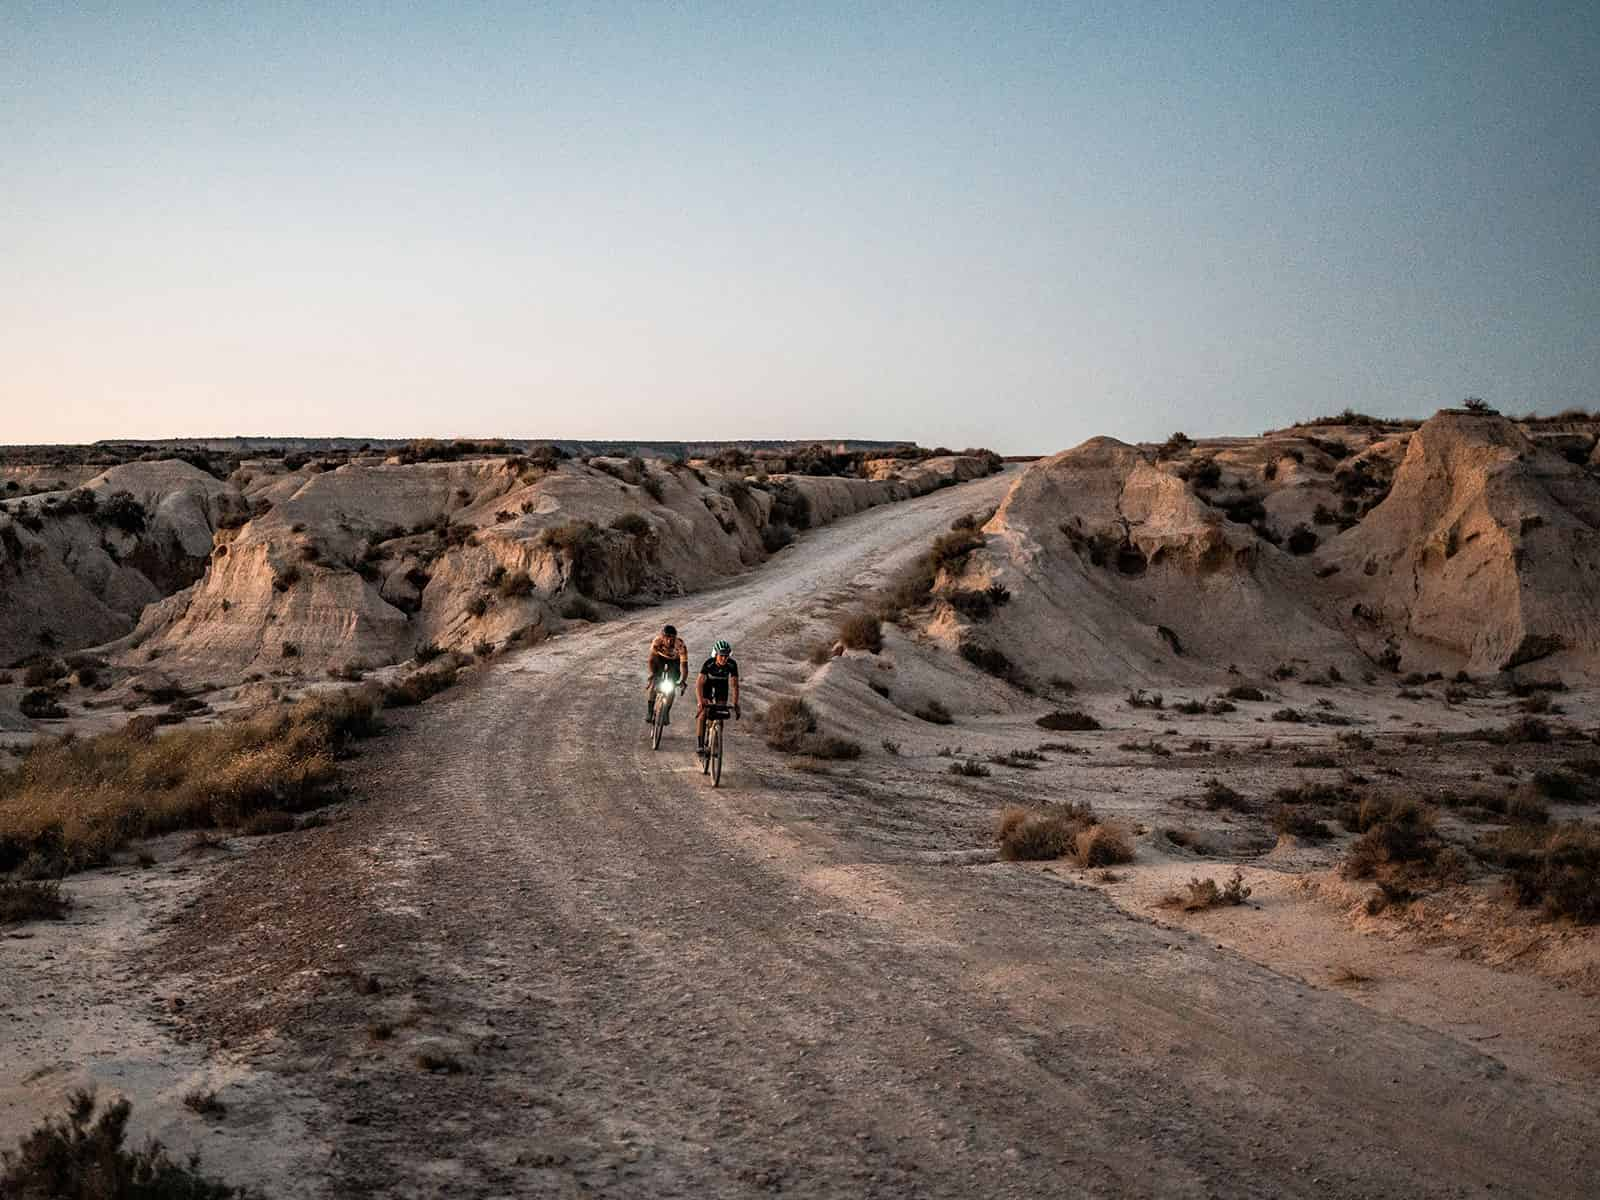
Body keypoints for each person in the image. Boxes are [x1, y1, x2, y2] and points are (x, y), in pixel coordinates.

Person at [696, 638, 740, 759]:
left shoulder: (732, 664)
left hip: (722, 687)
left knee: (720, 713)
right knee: (703, 713)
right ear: (716, 654)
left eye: (726, 656)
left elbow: (735, 685)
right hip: (707, 686)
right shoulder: (709, 663)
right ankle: (700, 745)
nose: (724, 659)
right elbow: (699, 684)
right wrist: (700, 702)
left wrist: (735, 704)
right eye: (721, 655)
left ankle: (715, 741)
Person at [644, 624, 689, 724]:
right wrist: (652, 674)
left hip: (674, 661)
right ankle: (650, 711)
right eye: (667, 638)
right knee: (654, 683)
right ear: (662, 637)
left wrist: (683, 680)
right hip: (660, 659)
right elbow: (651, 660)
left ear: (675, 638)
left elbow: (684, 666)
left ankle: (666, 712)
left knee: (672, 687)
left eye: (672, 638)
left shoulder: (681, 645)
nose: (669, 641)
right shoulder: (657, 642)